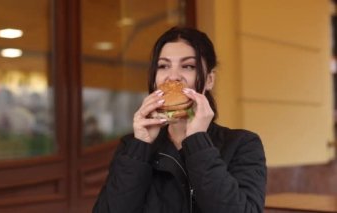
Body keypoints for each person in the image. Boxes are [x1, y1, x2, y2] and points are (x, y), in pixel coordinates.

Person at [93, 27, 266, 213]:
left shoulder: (242, 144)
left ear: (209, 80)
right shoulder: (132, 146)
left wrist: (198, 141)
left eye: (188, 66)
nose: (173, 77)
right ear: (154, 80)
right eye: (163, 66)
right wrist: (140, 147)